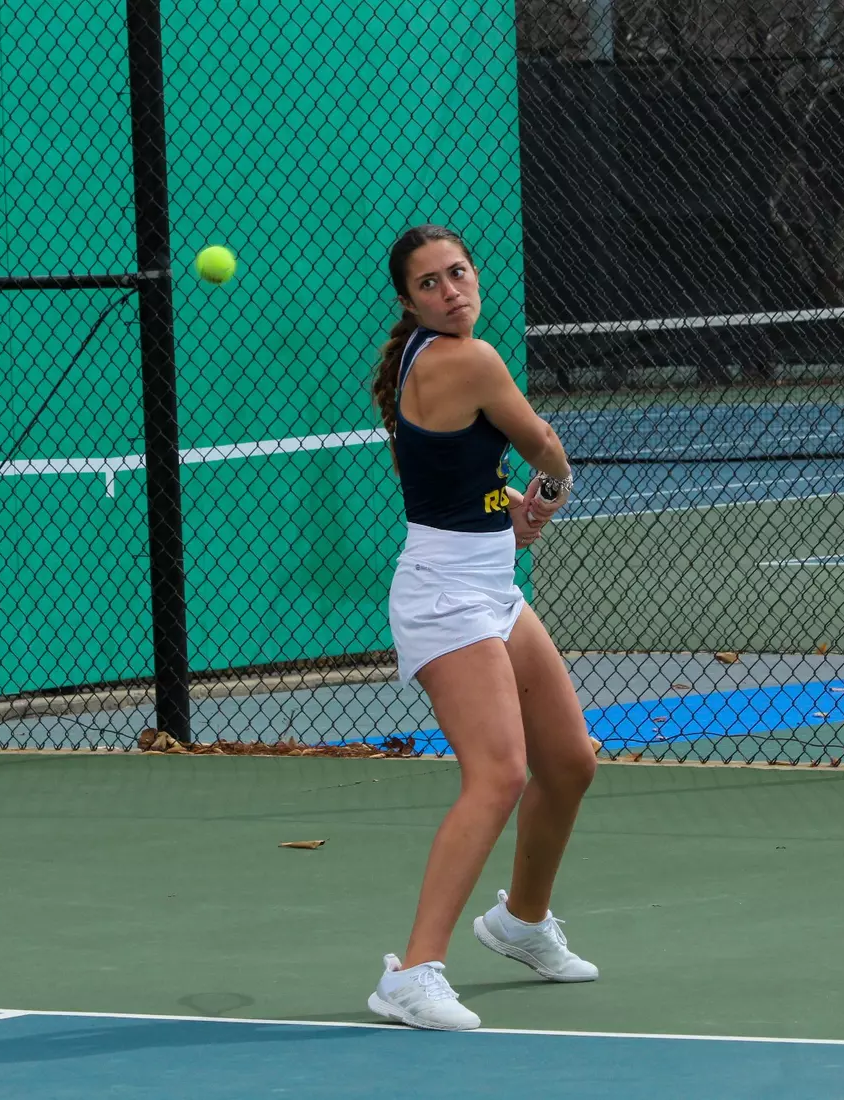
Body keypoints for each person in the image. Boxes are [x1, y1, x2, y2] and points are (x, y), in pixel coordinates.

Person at [365, 224, 600, 1031]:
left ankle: (521, 923)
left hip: (488, 584)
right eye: (429, 284)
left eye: (457, 273)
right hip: (444, 597)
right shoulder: (470, 358)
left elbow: (461, 484)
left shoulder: (419, 361)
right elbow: (545, 445)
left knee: (568, 761)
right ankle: (413, 973)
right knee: (499, 774)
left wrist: (512, 510)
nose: (450, 290)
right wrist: (551, 492)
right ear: (410, 302)